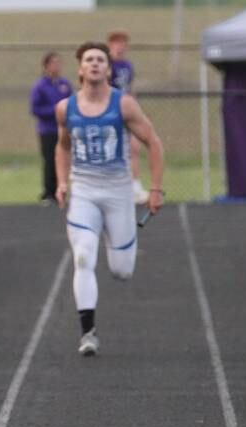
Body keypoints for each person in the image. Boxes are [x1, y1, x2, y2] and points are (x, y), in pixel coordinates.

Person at [55, 41, 164, 356]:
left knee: (121, 270)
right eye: (88, 59)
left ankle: (111, 237)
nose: (94, 64)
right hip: (85, 191)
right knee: (83, 255)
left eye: (100, 59)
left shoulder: (124, 104)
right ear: (80, 68)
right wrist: (62, 182)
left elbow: (153, 143)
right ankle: (88, 333)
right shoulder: (66, 108)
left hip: (118, 191)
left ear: (108, 68)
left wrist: (155, 189)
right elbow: (62, 146)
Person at [107, 29, 150, 205]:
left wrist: (135, 108)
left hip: (126, 110)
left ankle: (135, 187)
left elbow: (130, 89)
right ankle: (113, 187)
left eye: (123, 45)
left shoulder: (127, 66)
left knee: (133, 148)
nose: (120, 48)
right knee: (111, 150)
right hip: (110, 112)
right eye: (117, 44)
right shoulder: (106, 65)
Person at [29, 51, 73, 204]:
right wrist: (55, 110)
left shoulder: (65, 84)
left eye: (58, 63)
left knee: (65, 159)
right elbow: (35, 109)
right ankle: (48, 193)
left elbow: (72, 103)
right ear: (46, 65)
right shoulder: (40, 86)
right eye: (53, 63)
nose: (56, 66)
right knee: (50, 160)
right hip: (47, 129)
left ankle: (62, 190)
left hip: (64, 129)